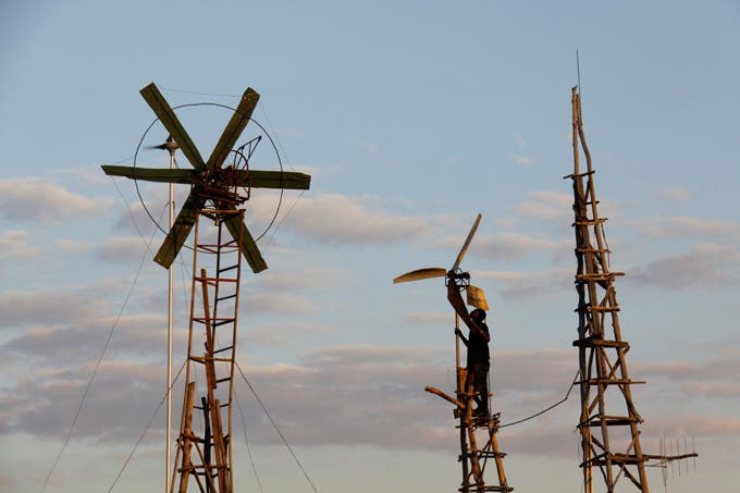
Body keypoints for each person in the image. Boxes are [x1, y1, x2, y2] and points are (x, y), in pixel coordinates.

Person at [447, 278, 491, 419]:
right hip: (473, 362)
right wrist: (460, 335)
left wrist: (478, 329)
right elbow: (470, 346)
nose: (472, 313)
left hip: (480, 362)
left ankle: (484, 409)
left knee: (480, 387)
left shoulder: (481, 327)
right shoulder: (472, 330)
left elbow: (487, 339)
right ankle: (479, 408)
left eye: (475, 312)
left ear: (479, 316)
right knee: (467, 389)